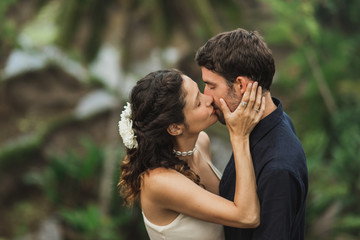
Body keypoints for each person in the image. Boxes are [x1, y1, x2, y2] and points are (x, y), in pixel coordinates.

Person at [118, 69, 265, 240]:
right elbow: (248, 216)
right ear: (175, 128)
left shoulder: (202, 143)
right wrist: (240, 137)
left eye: (200, 91)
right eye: (198, 103)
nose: (209, 99)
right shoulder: (158, 182)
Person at [195, 28, 308, 240]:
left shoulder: (278, 167)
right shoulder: (259, 127)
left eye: (211, 85)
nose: (206, 96)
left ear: (240, 85)